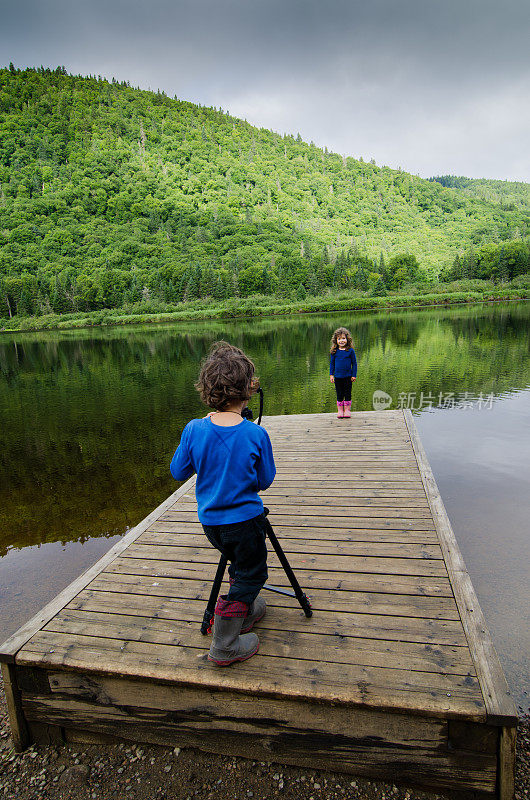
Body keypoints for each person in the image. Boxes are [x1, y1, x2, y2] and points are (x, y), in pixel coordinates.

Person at [170, 341, 276, 666]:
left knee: (240, 564)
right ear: (248, 390)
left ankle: (245, 610)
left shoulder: (193, 429)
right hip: (244, 523)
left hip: (212, 525)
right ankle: (225, 644)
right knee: (254, 572)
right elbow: (264, 480)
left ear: (208, 390)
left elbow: (178, 471)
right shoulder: (255, 435)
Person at [329, 327, 357, 418]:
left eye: (343, 338)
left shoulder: (350, 351)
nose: (342, 341)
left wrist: (354, 375)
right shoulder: (334, 352)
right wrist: (331, 375)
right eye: (339, 339)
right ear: (336, 340)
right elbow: (332, 364)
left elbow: (354, 364)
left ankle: (347, 410)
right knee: (339, 393)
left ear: (347, 339)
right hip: (338, 377)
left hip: (348, 377)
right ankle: (340, 411)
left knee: (348, 393)